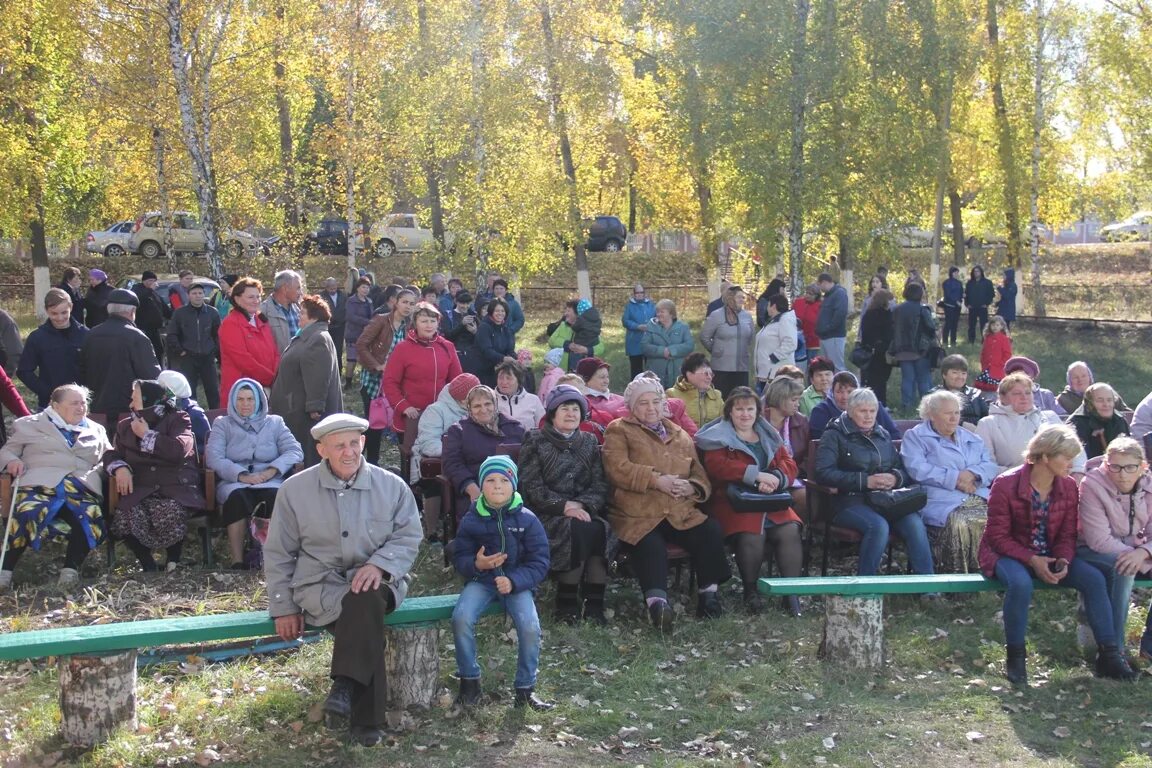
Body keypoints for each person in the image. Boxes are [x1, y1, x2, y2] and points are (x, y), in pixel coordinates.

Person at [264, 414, 423, 747]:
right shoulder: (295, 491)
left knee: (366, 597)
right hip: (321, 586)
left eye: (354, 443)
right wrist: (283, 606)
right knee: (364, 617)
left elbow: (409, 535)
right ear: (322, 449)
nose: (349, 452)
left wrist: (379, 565)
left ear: (364, 442)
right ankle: (367, 722)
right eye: (339, 446)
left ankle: (344, 687)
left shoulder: (391, 485)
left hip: (381, 581)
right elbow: (278, 552)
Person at [978, 425, 1137, 684]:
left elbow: (1066, 535)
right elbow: (997, 536)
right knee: (1020, 583)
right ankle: (1016, 657)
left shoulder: (1068, 486)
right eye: (1066, 457)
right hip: (1008, 554)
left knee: (1094, 579)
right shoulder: (1006, 483)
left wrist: (1063, 559)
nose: (1072, 463)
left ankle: (1109, 656)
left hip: (1050, 553)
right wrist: (1032, 559)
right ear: (1043, 456)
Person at [603, 375, 731, 629]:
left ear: (664, 404)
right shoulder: (619, 429)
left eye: (656, 401)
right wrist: (656, 480)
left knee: (709, 531)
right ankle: (658, 606)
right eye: (643, 403)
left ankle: (709, 596)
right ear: (631, 407)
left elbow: (698, 472)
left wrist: (691, 486)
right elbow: (617, 468)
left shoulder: (679, 433)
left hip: (678, 511)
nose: (651, 408)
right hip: (638, 512)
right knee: (649, 543)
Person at [451, 455, 552, 710]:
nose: (497, 486)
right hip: (482, 580)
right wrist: (477, 564)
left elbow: (539, 561)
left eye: (504, 480)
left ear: (514, 485)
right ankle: (469, 683)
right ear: (481, 486)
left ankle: (525, 689)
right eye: (491, 480)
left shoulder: (528, 519)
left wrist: (514, 581)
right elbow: (460, 555)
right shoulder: (471, 519)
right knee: (461, 617)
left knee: (530, 626)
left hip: (516, 582)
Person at [696, 387, 802, 615]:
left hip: (770, 497)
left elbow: (789, 463)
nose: (745, 414)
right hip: (734, 500)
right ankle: (751, 591)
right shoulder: (717, 436)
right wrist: (755, 475)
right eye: (739, 409)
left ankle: (791, 593)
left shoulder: (768, 434)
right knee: (753, 532)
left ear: (758, 411)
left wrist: (774, 477)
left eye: (750, 409)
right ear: (730, 412)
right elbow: (717, 467)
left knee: (789, 529)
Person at [814, 388, 935, 576]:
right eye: (863, 411)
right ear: (850, 411)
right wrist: (865, 481)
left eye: (872, 411)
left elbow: (901, 468)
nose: (868, 416)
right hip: (848, 501)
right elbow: (823, 473)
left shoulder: (882, 433)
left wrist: (895, 477)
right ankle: (865, 587)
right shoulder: (834, 434)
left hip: (885, 500)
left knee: (914, 523)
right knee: (878, 526)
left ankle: (928, 588)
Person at [0, 384, 110, 590]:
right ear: (56, 406)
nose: (81, 408)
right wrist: (12, 462)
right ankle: (5, 572)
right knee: (26, 512)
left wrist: (100, 471)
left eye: (83, 403)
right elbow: (6, 451)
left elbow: (109, 457)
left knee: (89, 516)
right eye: (74, 403)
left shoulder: (96, 429)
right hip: (39, 483)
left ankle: (70, 571)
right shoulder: (29, 424)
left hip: (80, 485)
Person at [518, 386, 612, 624]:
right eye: (564, 409)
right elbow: (531, 486)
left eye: (575, 409)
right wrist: (564, 507)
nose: (571, 414)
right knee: (576, 530)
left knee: (600, 529)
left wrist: (581, 505)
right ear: (552, 413)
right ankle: (566, 603)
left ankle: (594, 603)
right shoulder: (535, 439)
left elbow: (600, 485)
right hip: (545, 513)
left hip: (584, 511)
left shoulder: (590, 441)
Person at [104, 380, 205, 572]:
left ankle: (173, 562)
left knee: (171, 510)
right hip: (141, 488)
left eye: (135, 399)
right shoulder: (126, 426)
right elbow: (112, 454)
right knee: (126, 516)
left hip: (174, 486)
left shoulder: (178, 419)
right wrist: (120, 467)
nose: (131, 405)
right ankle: (147, 564)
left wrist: (147, 435)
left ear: (149, 399)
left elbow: (177, 450)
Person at [205, 378, 303, 569]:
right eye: (240, 399)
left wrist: (271, 471)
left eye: (250, 399)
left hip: (270, 479)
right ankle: (237, 561)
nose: (245, 404)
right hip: (234, 481)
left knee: (276, 496)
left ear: (259, 401)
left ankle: (274, 558)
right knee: (237, 498)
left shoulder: (275, 422)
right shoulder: (222, 424)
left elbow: (295, 451)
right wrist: (242, 475)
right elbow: (213, 457)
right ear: (233, 400)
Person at [901, 391, 999, 572]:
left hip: (975, 493)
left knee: (995, 519)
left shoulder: (971, 437)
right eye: (948, 413)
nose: (954, 418)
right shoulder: (916, 436)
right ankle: (956, 581)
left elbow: (990, 465)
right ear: (931, 414)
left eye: (956, 412)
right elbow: (917, 468)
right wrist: (954, 479)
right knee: (960, 523)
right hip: (939, 499)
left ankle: (989, 577)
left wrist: (972, 474)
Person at [1076, 436, 1152, 659]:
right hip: (1090, 551)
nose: (1122, 474)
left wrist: (1144, 552)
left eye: (1130, 467)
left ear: (1143, 467)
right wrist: (1135, 555)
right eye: (1115, 467)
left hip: (1137, 551)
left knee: (1127, 563)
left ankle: (1149, 648)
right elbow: (1098, 539)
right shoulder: (1091, 485)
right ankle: (1115, 649)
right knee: (1123, 568)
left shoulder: (1149, 485)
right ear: (1106, 465)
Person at [269, 296, 343, 467]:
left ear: (314, 317)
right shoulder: (308, 336)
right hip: (296, 408)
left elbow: (318, 374)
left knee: (308, 454)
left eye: (302, 313)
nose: (298, 316)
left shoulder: (317, 338)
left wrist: (315, 405)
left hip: (304, 414)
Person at [442, 385, 527, 520]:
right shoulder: (459, 431)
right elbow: (452, 464)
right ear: (469, 408)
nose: (483, 410)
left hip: (512, 488)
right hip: (476, 488)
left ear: (495, 404)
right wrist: (470, 487)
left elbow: (527, 461)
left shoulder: (515, 428)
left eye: (488, 404)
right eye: (477, 406)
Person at [410, 372, 480, 536]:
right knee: (435, 483)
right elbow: (428, 444)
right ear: (462, 399)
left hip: (468, 459)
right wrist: (458, 453)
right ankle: (432, 530)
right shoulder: (436, 411)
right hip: (436, 460)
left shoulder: (479, 408)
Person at [976, 372, 1086, 476]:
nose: (1024, 397)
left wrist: (1078, 472)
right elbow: (986, 464)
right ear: (1002, 397)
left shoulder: (1050, 417)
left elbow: (1075, 449)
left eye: (1028, 392)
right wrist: (1019, 475)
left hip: (1057, 479)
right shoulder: (988, 424)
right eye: (1017, 393)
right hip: (1012, 485)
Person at [80, 288, 161, 425]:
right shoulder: (136, 337)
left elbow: (82, 369)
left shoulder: (90, 335)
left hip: (94, 406)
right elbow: (151, 375)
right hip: (127, 408)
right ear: (132, 312)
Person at [381, 301, 462, 437]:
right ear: (415, 323)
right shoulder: (403, 348)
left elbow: (457, 381)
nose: (429, 325)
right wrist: (404, 406)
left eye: (433, 321)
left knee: (438, 456)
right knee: (410, 455)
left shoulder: (447, 347)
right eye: (424, 321)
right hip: (412, 415)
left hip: (441, 415)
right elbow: (389, 382)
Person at [356, 288, 417, 465]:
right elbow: (361, 345)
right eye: (405, 302)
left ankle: (404, 466)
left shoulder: (410, 327)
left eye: (412, 304)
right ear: (396, 302)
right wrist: (377, 365)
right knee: (374, 425)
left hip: (396, 384)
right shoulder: (381, 321)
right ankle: (370, 463)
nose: (408, 307)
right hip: (374, 382)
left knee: (398, 425)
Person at [19, 288, 88, 410]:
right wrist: (47, 392)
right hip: (49, 404)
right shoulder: (37, 337)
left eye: (64, 312)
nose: (60, 318)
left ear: (71, 307)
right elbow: (24, 371)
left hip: (80, 403)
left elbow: (94, 367)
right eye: (54, 313)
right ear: (46, 311)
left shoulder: (85, 334)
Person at [218, 277, 280, 405]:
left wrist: (275, 376)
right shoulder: (230, 324)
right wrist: (270, 378)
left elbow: (275, 352)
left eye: (258, 297)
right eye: (251, 297)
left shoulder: (261, 320)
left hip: (266, 388)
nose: (256, 301)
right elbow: (243, 360)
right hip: (243, 392)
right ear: (237, 299)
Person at [165, 282, 221, 409]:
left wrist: (215, 351)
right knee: (189, 391)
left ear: (204, 295)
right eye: (194, 293)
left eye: (200, 293)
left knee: (212, 390)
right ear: (188, 295)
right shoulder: (180, 313)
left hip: (207, 357)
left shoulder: (212, 312)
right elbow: (172, 334)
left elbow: (218, 334)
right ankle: (192, 416)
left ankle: (216, 417)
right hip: (188, 356)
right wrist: (180, 351)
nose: (198, 296)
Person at [763, 376, 812, 517]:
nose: (798, 404)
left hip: (792, 478)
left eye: (798, 399)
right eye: (793, 400)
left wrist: (792, 474)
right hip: (764, 478)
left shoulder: (801, 421)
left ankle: (796, 530)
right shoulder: (757, 420)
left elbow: (808, 457)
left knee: (806, 496)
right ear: (780, 398)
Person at [809, 371, 901, 440]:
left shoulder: (875, 406)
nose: (845, 397)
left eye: (850, 392)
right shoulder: (821, 411)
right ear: (832, 393)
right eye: (839, 392)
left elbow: (894, 435)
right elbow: (819, 442)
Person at [890, 282, 938, 412]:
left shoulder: (897, 310)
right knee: (923, 379)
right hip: (920, 349)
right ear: (920, 294)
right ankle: (927, 407)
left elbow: (892, 328)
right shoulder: (923, 309)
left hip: (902, 350)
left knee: (907, 379)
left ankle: (906, 405)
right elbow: (931, 328)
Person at [700, 284, 754, 398]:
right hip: (721, 367)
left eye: (743, 297)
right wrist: (716, 350)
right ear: (730, 298)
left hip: (741, 366)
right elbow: (704, 336)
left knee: (740, 398)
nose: (742, 300)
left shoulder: (747, 316)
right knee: (722, 398)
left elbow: (750, 338)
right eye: (739, 297)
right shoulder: (716, 315)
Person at [1067, 382, 1130, 460]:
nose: (1106, 404)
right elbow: (1075, 457)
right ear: (1089, 403)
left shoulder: (1119, 420)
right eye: (1100, 400)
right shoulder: (1076, 423)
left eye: (1109, 400)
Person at [641, 299, 694, 389]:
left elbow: (689, 346)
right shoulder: (651, 326)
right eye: (657, 311)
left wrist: (671, 350)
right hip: (656, 370)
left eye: (662, 312)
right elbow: (644, 346)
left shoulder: (683, 327)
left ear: (671, 314)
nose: (658, 314)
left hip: (677, 370)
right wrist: (662, 351)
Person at [157, 370, 211, 456]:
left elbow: (207, 443)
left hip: (189, 460)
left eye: (161, 389)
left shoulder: (194, 413)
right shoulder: (162, 409)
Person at [929, 354, 989, 429]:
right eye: (955, 373)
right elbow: (928, 420)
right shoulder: (935, 395)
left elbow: (988, 418)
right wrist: (962, 424)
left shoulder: (975, 394)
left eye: (963, 373)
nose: (960, 377)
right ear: (944, 375)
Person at [857, 289, 894, 407]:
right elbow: (889, 333)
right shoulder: (886, 315)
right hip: (882, 351)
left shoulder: (868, 314)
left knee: (870, 379)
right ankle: (882, 403)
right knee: (881, 380)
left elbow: (865, 333)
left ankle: (868, 402)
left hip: (869, 350)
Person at [666, 352, 723, 427]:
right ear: (689, 374)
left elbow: (724, 422)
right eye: (705, 373)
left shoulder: (716, 395)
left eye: (711, 374)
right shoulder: (672, 394)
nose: (709, 377)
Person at [754, 293, 798, 391]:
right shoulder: (773, 321)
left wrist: (774, 357)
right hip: (765, 374)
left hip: (776, 374)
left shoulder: (785, 320)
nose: (767, 308)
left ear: (773, 306)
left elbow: (790, 343)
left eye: (768, 305)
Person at [1058, 361, 1129, 416]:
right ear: (1069, 381)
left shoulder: (1105, 391)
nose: (1080, 380)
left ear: (1090, 377)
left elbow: (1128, 414)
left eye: (1084, 376)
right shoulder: (1063, 399)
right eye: (1075, 377)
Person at [574, 357, 626, 430]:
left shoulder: (622, 401)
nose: (606, 381)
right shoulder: (578, 401)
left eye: (607, 377)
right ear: (585, 379)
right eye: (602, 377)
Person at [492, 360, 545, 430]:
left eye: (509, 378)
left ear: (518, 380)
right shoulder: (490, 399)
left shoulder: (533, 400)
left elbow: (544, 427)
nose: (504, 382)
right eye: (500, 378)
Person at [475, 297, 517, 386]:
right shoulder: (484, 327)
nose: (500, 313)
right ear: (491, 312)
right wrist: (503, 359)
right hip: (486, 371)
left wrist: (513, 358)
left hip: (503, 370)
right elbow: (487, 350)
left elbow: (510, 349)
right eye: (497, 311)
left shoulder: (506, 329)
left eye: (502, 311)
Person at [260, 269, 303, 353]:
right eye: (298, 288)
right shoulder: (262, 312)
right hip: (278, 365)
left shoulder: (300, 309)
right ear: (285, 288)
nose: (300, 293)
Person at [133, 271, 171, 366]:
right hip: (143, 329)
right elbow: (139, 299)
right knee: (146, 352)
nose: (153, 283)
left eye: (154, 281)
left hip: (156, 329)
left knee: (159, 351)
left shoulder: (154, 294)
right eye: (150, 280)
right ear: (144, 281)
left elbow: (164, 308)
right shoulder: (137, 290)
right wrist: (150, 290)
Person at [343, 278, 374, 388]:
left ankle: (363, 381)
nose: (365, 290)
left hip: (366, 334)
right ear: (357, 288)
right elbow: (350, 317)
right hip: (353, 334)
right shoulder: (351, 301)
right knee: (352, 360)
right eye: (363, 287)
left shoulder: (369, 301)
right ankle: (348, 382)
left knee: (365, 359)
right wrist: (367, 322)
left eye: (367, 287)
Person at [814, 272, 848, 371]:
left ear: (824, 282)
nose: (820, 288)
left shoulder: (839, 293)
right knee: (827, 366)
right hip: (825, 336)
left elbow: (840, 313)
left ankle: (844, 385)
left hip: (834, 336)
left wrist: (828, 328)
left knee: (837, 366)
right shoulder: (828, 295)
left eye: (819, 285)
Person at [621, 283, 656, 378]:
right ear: (634, 294)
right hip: (634, 342)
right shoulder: (629, 306)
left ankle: (653, 387)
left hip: (650, 341)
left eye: (641, 292)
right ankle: (635, 388)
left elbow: (657, 318)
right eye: (637, 292)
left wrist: (652, 325)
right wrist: (637, 326)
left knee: (651, 368)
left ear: (645, 293)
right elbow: (625, 321)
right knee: (636, 369)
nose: (639, 294)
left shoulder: (651, 305)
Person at [972, 315, 1012, 395]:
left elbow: (1007, 354)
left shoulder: (1004, 339)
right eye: (993, 325)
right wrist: (983, 363)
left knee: (996, 389)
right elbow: (983, 352)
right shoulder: (987, 338)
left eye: (997, 325)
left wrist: (1001, 363)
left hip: (998, 369)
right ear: (989, 326)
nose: (995, 327)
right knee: (983, 388)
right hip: (986, 368)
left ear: (1002, 327)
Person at [563, 298, 602, 373]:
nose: (565, 314)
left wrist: (587, 350)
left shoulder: (580, 320)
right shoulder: (596, 319)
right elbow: (552, 340)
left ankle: (574, 369)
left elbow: (601, 347)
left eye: (568, 311)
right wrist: (568, 345)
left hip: (581, 347)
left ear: (577, 313)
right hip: (565, 367)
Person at [319, 277, 348, 374]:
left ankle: (338, 373)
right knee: (327, 351)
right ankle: (328, 373)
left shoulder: (343, 295)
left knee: (338, 352)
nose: (333, 290)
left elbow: (346, 310)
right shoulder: (321, 296)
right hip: (327, 327)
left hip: (340, 327)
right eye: (330, 288)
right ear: (326, 287)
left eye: (334, 287)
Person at [964, 265, 994, 344]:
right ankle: (971, 340)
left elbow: (991, 294)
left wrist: (987, 303)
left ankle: (984, 340)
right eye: (974, 271)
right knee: (971, 325)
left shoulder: (987, 283)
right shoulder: (970, 283)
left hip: (982, 307)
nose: (976, 273)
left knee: (984, 325)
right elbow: (966, 295)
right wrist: (967, 304)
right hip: (972, 307)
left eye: (977, 271)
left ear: (981, 272)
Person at [792, 283, 822, 361]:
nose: (807, 295)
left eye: (811, 294)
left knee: (812, 365)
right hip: (798, 341)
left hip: (813, 342)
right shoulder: (798, 302)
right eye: (807, 293)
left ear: (817, 296)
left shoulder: (820, 306)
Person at [940, 266, 964, 347]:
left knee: (955, 323)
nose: (957, 274)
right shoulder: (946, 283)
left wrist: (960, 300)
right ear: (951, 273)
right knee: (948, 323)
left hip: (957, 307)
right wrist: (955, 301)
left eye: (957, 273)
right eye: (955, 272)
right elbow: (948, 294)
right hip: (949, 305)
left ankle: (953, 341)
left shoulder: (959, 283)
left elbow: (961, 293)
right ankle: (945, 340)